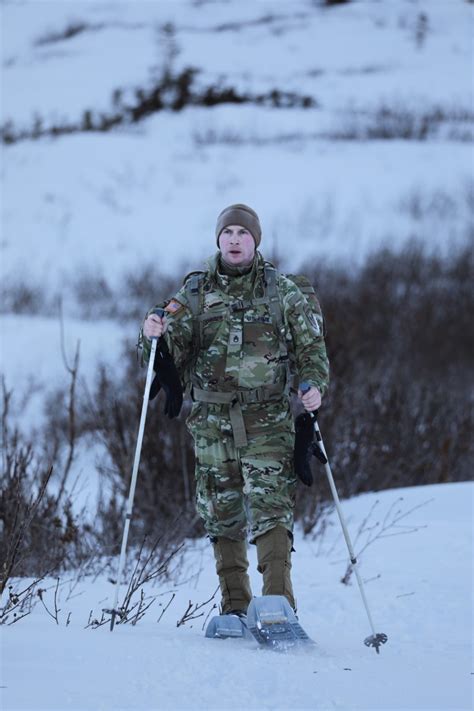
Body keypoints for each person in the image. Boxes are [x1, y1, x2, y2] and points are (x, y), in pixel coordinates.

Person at [140, 203, 329, 615]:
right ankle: (235, 607)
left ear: (255, 240)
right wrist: (153, 333)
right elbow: (163, 351)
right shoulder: (194, 293)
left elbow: (311, 347)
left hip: (268, 419)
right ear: (218, 239)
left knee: (271, 507)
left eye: (243, 233)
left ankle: (278, 603)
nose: (235, 240)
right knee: (220, 511)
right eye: (228, 233)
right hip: (211, 422)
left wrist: (313, 385)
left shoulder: (282, 291)